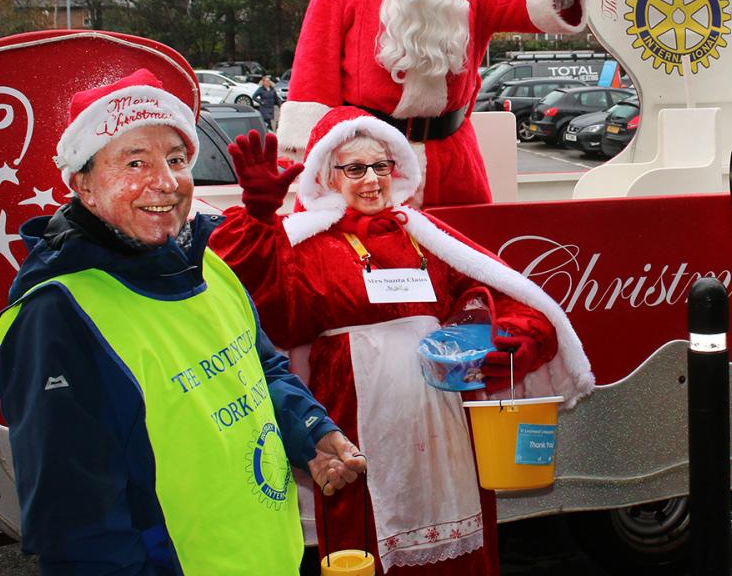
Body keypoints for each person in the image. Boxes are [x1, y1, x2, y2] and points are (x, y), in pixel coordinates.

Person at [0, 70, 366, 575]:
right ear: (83, 185)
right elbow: (75, 523)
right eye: (135, 162)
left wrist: (311, 429)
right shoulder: (56, 317)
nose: (165, 182)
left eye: (174, 160)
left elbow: (260, 370)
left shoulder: (206, 262)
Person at [209, 106, 594, 574]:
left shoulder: (424, 236)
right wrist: (258, 216)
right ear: (328, 176)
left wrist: (513, 339)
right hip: (355, 416)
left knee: (460, 536)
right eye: (354, 168)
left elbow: (500, 294)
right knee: (366, 534)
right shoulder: (306, 244)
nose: (371, 180)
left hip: (446, 423)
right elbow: (248, 302)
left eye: (380, 166)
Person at [278, 0, 601, 207]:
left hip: (453, 161)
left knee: (467, 252)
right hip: (367, 160)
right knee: (360, 257)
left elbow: (520, 0)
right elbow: (316, 58)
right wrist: (311, 148)